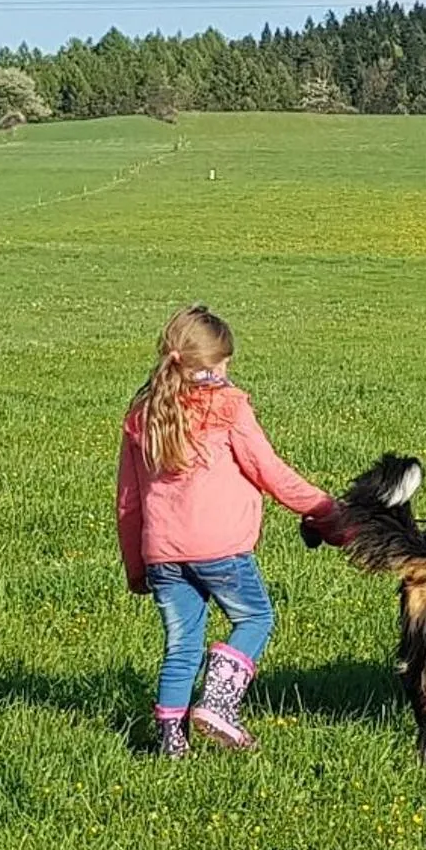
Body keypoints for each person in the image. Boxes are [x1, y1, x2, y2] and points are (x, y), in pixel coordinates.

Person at [115, 305, 340, 756]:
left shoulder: (143, 415)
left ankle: (171, 744)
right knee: (255, 618)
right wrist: (331, 512)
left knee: (181, 645)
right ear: (213, 363)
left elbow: (129, 502)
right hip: (220, 550)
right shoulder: (227, 407)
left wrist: (136, 567)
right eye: (226, 363)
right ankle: (218, 703)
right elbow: (271, 473)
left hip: (162, 554)